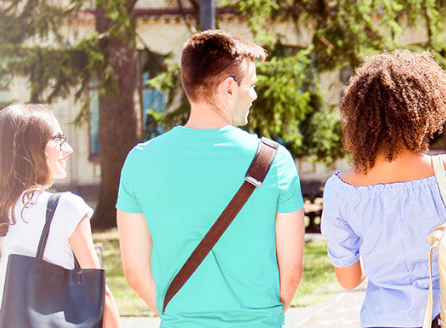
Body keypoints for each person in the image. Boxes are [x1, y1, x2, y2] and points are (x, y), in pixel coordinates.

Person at [117, 30, 305, 327]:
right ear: (229, 88)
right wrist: (264, 315)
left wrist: (177, 314)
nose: (254, 95)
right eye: (251, 85)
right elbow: (292, 268)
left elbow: (134, 270)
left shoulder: (139, 161)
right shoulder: (274, 161)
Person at [322, 50, 446, 327]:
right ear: (425, 111)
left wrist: (383, 258)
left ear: (359, 116)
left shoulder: (342, 188)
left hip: (381, 319)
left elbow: (348, 280)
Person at [0, 104, 121, 328]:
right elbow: (101, 297)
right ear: (31, 147)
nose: (69, 148)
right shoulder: (65, 208)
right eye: (58, 139)